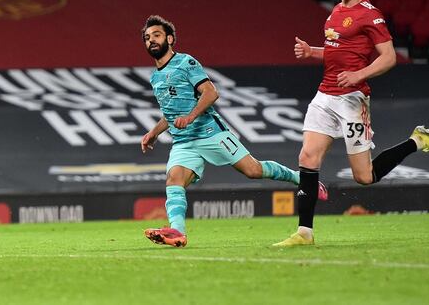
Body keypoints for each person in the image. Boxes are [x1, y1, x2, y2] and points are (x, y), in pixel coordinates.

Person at [274, 0, 429, 246]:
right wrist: (312, 51)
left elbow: (388, 58)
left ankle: (416, 141)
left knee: (364, 176)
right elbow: (337, 51)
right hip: (325, 95)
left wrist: (358, 74)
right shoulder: (335, 11)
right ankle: (304, 233)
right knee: (307, 158)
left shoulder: (370, 15)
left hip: (352, 100)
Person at [140, 15, 327, 248]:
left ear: (169, 38)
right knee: (174, 179)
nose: (151, 41)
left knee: (253, 170)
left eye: (156, 35)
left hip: (210, 133)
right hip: (183, 142)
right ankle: (177, 232)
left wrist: (190, 117)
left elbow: (210, 93)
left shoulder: (186, 63)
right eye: (147, 38)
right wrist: (154, 133)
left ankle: (300, 179)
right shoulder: (155, 77)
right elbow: (170, 113)